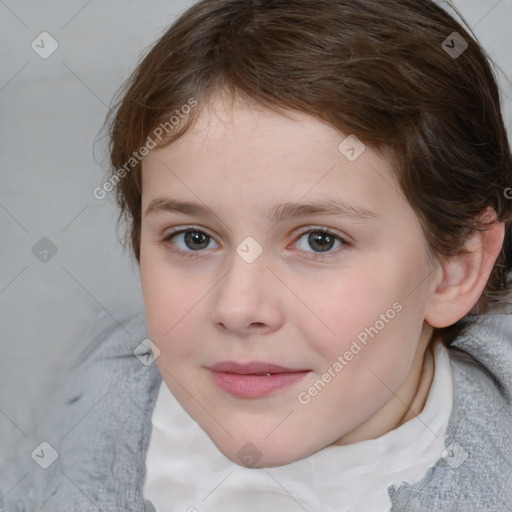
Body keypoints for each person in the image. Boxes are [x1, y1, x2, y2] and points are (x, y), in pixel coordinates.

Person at [2, 0, 511, 510]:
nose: (238, 308)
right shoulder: (77, 418)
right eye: (193, 238)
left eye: (319, 240)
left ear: (453, 270)